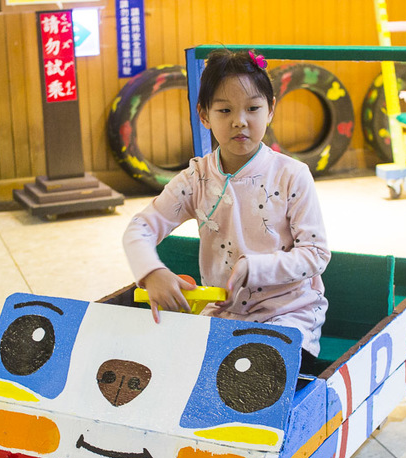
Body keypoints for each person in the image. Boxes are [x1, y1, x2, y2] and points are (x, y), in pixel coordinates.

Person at [122, 48, 330, 371]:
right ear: (204, 115)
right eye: (224, 110)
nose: (240, 121)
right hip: (222, 314)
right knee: (169, 369)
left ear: (271, 109)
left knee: (256, 373)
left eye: (253, 108)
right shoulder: (196, 180)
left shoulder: (292, 175)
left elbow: (316, 254)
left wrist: (255, 267)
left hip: (289, 317)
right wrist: (152, 273)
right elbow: (139, 228)